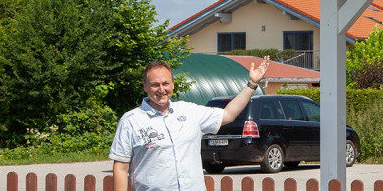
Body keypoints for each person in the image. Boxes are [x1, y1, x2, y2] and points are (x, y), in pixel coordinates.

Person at [109, 56, 270, 191]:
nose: (161, 89)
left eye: (165, 84)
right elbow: (121, 169)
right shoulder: (131, 120)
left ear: (172, 84)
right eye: (154, 85)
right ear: (145, 86)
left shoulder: (189, 111)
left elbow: (228, 114)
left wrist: (252, 84)